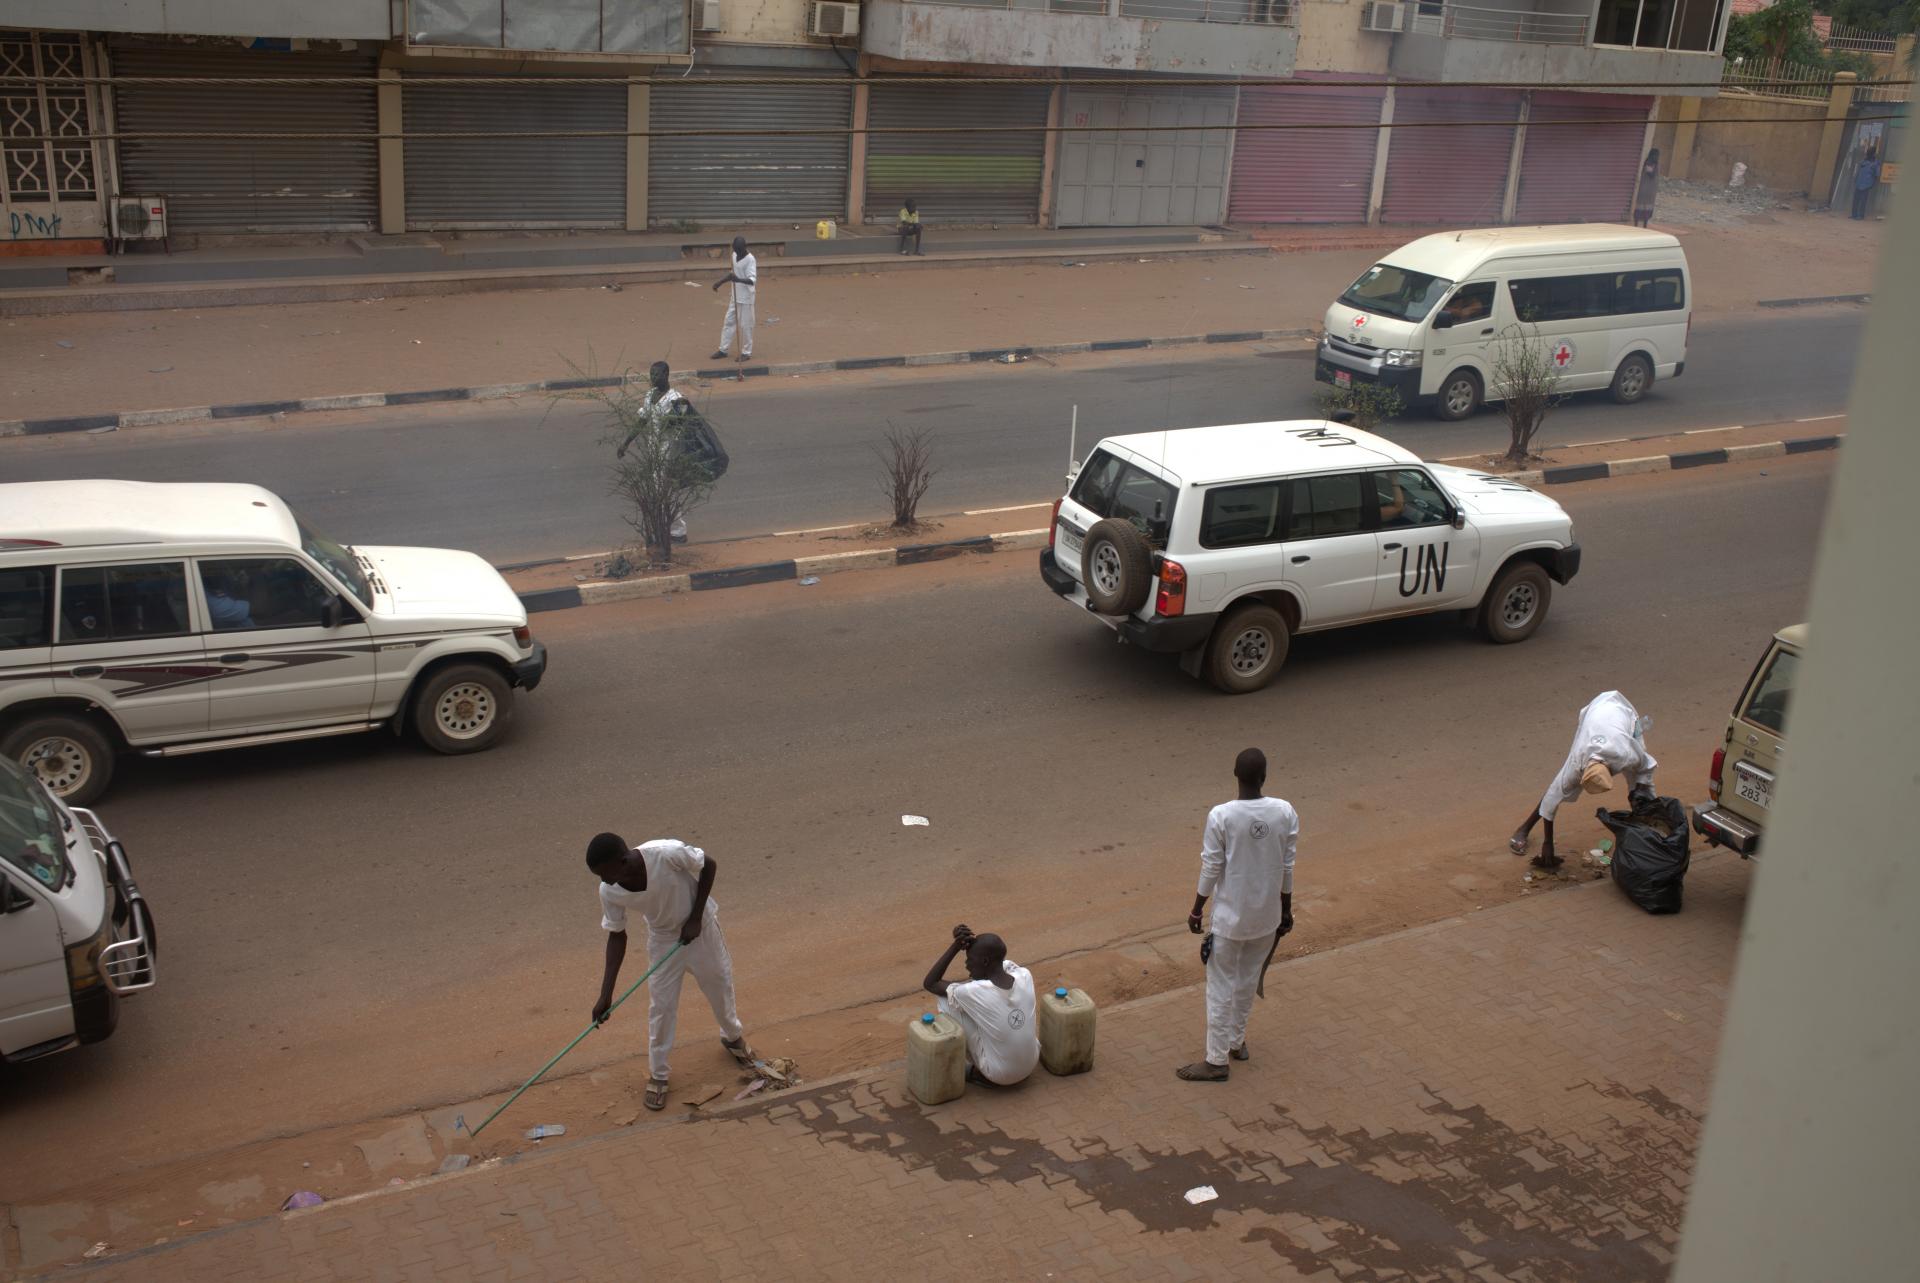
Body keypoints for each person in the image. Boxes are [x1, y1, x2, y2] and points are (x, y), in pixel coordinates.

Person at [585, 831, 754, 1111]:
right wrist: (606, 995)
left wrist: (696, 918)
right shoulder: (609, 890)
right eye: (599, 877)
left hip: (701, 930)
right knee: (661, 1007)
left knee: (719, 985)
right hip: (663, 940)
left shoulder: (665, 854)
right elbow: (616, 935)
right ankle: (659, 1074)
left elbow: (708, 864)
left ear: (624, 861)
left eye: (605, 874)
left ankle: (732, 1037)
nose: (603, 882)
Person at [1177, 748, 1297, 1083]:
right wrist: (1286, 911)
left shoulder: (1222, 816)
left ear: (1234, 774)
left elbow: (1212, 866)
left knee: (1219, 987)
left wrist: (1196, 909)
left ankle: (1216, 1062)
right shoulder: (1285, 812)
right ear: (1265, 777)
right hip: (1267, 918)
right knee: (1247, 981)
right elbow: (1287, 866)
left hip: (1230, 921)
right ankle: (1236, 1042)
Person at [1509, 691, 1657, 871]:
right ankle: (1524, 829)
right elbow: (1551, 799)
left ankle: (1645, 831)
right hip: (1594, 714)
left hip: (1622, 714)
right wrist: (1548, 843)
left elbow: (1647, 767)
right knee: (1556, 790)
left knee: (1640, 789)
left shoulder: (1626, 754)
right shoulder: (1576, 765)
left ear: (1611, 770)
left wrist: (1639, 795)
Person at [922, 924, 1039, 1087]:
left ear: (984, 961)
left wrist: (956, 947)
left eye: (969, 960)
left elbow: (931, 983)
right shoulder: (1024, 975)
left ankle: (979, 1073)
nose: (967, 965)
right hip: (1030, 1064)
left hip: (1000, 1076)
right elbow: (1002, 963)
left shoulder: (972, 991)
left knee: (945, 1000)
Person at [617, 360, 691, 542]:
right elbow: (643, 420)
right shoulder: (650, 395)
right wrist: (626, 442)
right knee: (658, 490)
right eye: (651, 375)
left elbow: (683, 426)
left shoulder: (677, 399)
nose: (653, 378)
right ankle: (666, 527)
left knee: (668, 491)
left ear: (666, 375)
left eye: (656, 375)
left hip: (670, 450)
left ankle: (678, 532)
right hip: (654, 449)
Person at [710, 236, 757, 361]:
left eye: (739, 250)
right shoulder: (734, 255)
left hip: (746, 298)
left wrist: (738, 280)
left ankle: (746, 352)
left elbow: (752, 280)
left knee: (746, 326)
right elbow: (732, 274)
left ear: (744, 248)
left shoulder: (750, 260)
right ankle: (723, 349)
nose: (737, 252)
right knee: (728, 322)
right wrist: (719, 282)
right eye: (735, 250)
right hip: (735, 295)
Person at [1851, 145, 1881, 221]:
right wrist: (1855, 179)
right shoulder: (1863, 161)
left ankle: (1861, 215)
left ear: (1873, 153)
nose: (1868, 153)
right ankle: (1853, 214)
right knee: (1856, 199)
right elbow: (1858, 171)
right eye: (1868, 151)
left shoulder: (1875, 163)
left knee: (1863, 200)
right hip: (1859, 182)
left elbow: (1877, 174)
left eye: (1869, 152)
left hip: (1867, 184)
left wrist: (1872, 183)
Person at [1633, 148, 1659, 228]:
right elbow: (1651, 174)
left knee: (1642, 206)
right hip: (1647, 189)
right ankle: (1640, 225)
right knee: (1643, 207)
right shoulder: (1650, 162)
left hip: (1647, 189)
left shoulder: (1649, 162)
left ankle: (1641, 225)